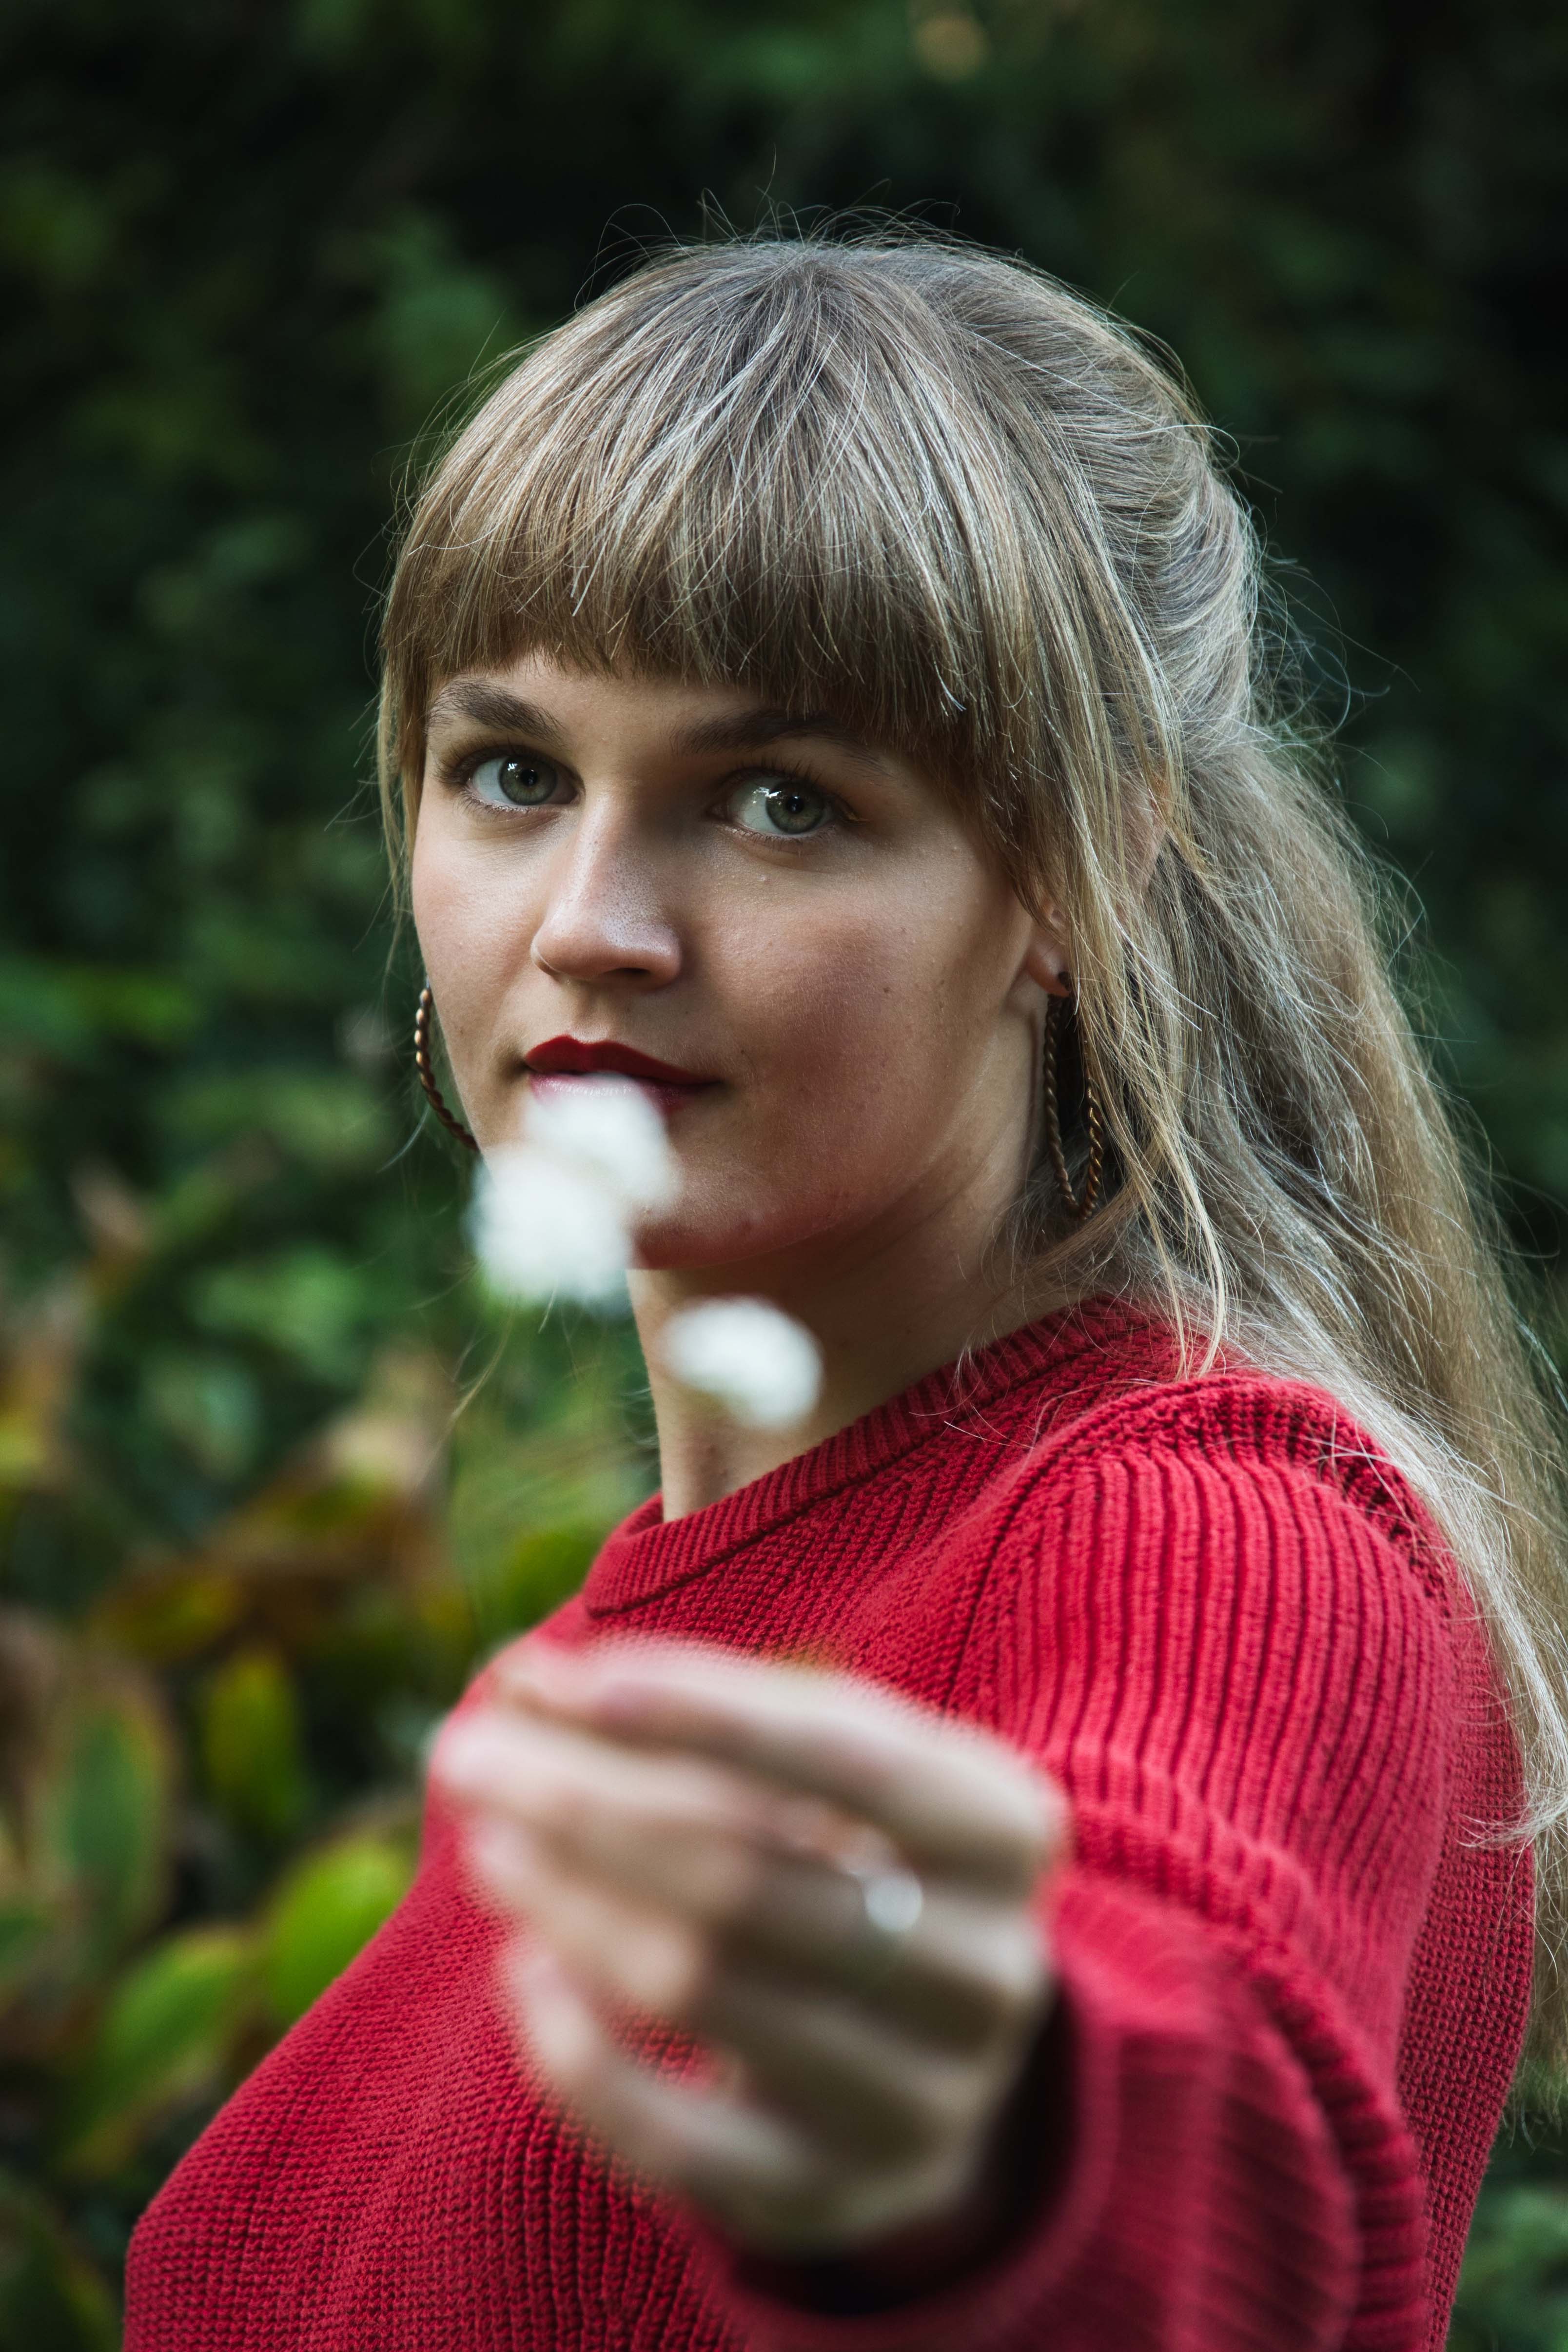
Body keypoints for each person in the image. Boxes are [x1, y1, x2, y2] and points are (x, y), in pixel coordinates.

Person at [124, 231, 1568, 2352]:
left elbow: (1191, 2132)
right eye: (513, 771)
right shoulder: (623, 1655)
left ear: (1075, 880)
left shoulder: (1212, 1516)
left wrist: (992, 2165)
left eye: (782, 802)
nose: (595, 921)